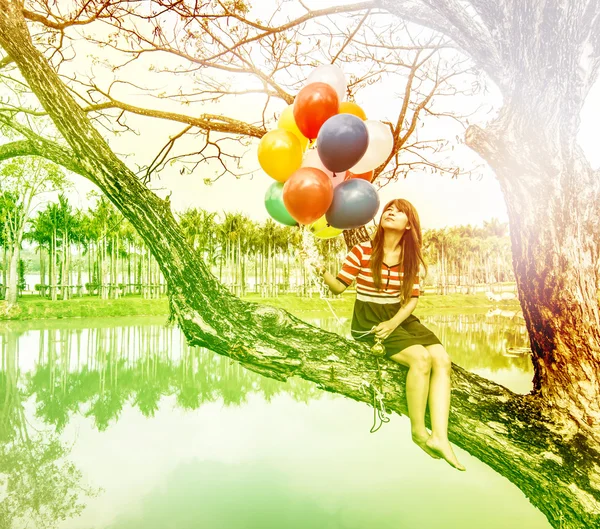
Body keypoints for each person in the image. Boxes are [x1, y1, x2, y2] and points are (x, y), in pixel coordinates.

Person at [313, 199, 465, 471]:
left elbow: (411, 300)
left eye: (399, 211)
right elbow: (338, 287)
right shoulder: (362, 251)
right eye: (388, 210)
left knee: (441, 359)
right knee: (421, 360)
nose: (390, 212)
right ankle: (419, 432)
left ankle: (440, 437)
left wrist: (395, 323)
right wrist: (321, 270)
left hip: (399, 318)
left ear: (409, 225)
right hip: (369, 321)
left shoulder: (410, 257)